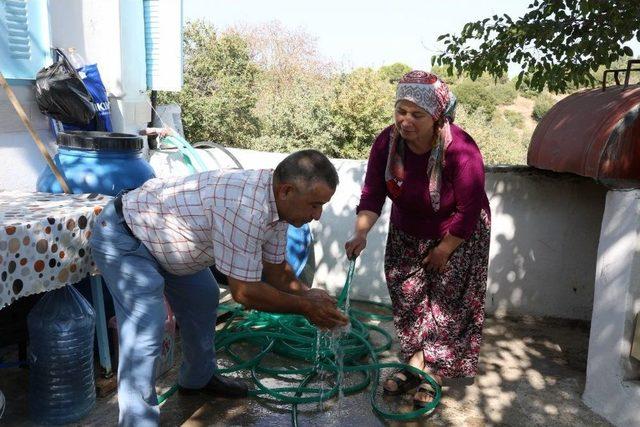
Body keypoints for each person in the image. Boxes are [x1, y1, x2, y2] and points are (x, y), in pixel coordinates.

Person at [90, 149, 349, 426]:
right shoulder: (246, 207)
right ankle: (137, 421)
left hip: (169, 244)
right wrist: (305, 306)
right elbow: (245, 293)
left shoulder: (277, 207)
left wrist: (309, 294)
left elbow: (275, 270)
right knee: (147, 325)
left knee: (204, 297)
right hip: (126, 236)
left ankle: (197, 379)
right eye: (314, 204)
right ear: (286, 190)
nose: (318, 215)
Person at [344, 71, 491, 407]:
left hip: (458, 233)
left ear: (437, 117)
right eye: (401, 111)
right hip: (407, 230)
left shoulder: (462, 151)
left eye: (416, 114)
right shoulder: (387, 143)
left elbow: (468, 210)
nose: (405, 120)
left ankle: (433, 372)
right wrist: (361, 232)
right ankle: (414, 365)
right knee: (408, 299)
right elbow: (372, 192)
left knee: (446, 306)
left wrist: (444, 250)